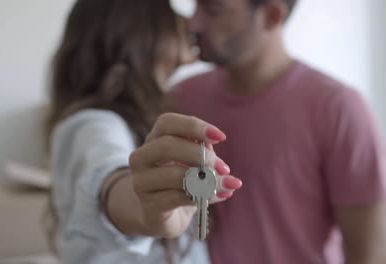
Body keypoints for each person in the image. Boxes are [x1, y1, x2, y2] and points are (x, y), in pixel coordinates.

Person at [129, 0, 386, 263]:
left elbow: (370, 254)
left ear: (272, 15)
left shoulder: (338, 110)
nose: (193, 22)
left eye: (213, 9)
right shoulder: (180, 101)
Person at [45, 0, 242, 263]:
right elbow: (110, 178)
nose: (189, 23)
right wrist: (144, 206)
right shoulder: (92, 125)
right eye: (169, 14)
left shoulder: (148, 114)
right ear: (135, 32)